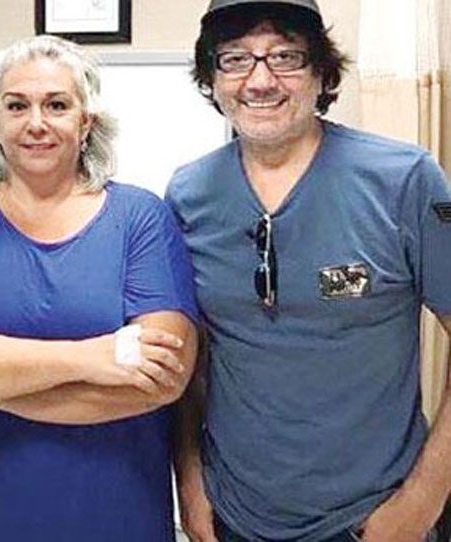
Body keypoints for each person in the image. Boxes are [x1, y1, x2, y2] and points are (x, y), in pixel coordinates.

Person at [0, 35, 198, 542]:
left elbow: (163, 379)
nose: (36, 122)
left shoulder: (140, 218)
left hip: (114, 514)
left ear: (86, 122)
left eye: (57, 105)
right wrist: (92, 357)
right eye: (17, 106)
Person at [166, 1, 451, 541]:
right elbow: (189, 358)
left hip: (374, 520)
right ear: (212, 77)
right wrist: (191, 483)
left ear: (321, 70)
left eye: (285, 56)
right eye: (235, 59)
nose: (260, 81)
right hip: (234, 519)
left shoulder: (407, 180)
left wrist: (422, 501)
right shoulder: (188, 194)